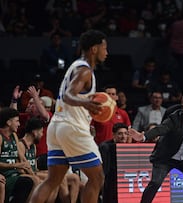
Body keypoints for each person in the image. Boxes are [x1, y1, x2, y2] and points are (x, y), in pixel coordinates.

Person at [29, 29, 108, 203]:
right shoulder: (84, 71)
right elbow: (68, 95)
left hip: (57, 126)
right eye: (104, 47)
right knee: (97, 178)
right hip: (73, 127)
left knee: (53, 180)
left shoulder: (75, 66)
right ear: (94, 49)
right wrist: (85, 103)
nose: (106, 52)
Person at [99, 122, 129, 203]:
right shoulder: (105, 147)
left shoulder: (130, 148)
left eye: (126, 134)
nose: (123, 137)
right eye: (120, 134)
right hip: (110, 182)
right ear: (113, 135)